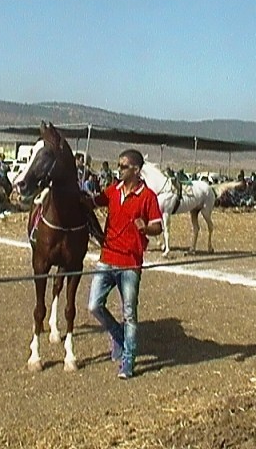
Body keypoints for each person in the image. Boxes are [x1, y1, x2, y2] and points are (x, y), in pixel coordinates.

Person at [86, 149, 163, 379]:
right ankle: (118, 335)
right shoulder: (113, 191)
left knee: (130, 313)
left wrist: (146, 228)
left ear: (136, 170)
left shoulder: (147, 196)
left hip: (130, 263)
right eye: (119, 165)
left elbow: (158, 227)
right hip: (107, 258)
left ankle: (128, 360)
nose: (119, 169)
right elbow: (92, 202)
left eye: (123, 166)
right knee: (93, 306)